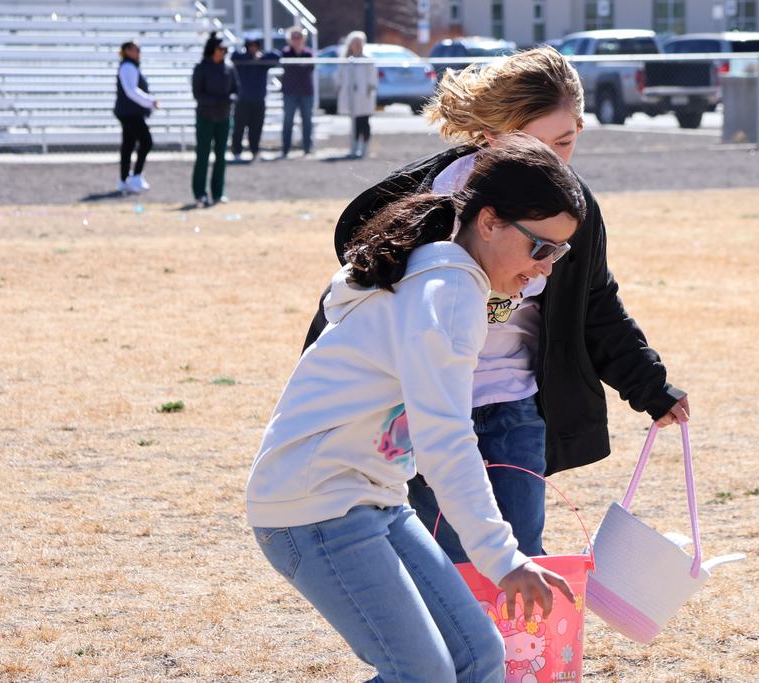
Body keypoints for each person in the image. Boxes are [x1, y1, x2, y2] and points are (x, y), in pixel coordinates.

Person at [301, 47, 690, 564]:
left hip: (514, 404)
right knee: (448, 560)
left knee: (520, 552)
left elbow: (595, 301)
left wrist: (649, 385)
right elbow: (364, 305)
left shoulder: (571, 208)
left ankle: (516, 649)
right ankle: (457, 645)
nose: (553, 159)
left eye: (566, 141)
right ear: (492, 136)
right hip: (427, 408)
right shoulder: (432, 204)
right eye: (536, 143)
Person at [247, 138, 582, 683]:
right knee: (421, 674)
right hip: (314, 505)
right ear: (491, 222)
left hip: (375, 499)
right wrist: (504, 557)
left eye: (558, 254)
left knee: (478, 657)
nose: (543, 270)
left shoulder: (446, 277)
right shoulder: (449, 291)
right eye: (540, 248)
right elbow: (445, 438)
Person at [191, 31, 238, 207]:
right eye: (220, 48)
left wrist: (231, 99)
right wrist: (218, 101)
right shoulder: (201, 68)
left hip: (224, 117)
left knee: (221, 157)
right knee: (202, 156)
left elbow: (236, 89)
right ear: (212, 49)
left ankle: (218, 192)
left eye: (225, 49)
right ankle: (200, 193)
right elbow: (198, 94)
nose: (223, 52)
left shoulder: (229, 68)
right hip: (205, 117)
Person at [113, 40, 158, 194]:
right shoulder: (128, 67)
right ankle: (135, 175)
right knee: (146, 141)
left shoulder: (130, 66)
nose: (138, 52)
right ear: (127, 51)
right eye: (135, 49)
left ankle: (124, 178)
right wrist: (150, 101)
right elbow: (131, 91)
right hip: (130, 112)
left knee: (128, 144)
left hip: (129, 111)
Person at [231, 33, 278, 161]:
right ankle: (236, 152)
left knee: (256, 128)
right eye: (250, 45)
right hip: (243, 100)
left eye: (255, 45)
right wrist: (251, 57)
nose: (253, 47)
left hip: (258, 101)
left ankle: (254, 151)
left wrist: (260, 58)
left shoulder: (263, 61)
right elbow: (234, 56)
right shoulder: (242, 60)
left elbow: (276, 56)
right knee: (239, 128)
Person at [338, 30, 377, 158]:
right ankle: (354, 147)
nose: (356, 46)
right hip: (351, 96)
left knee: (363, 122)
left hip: (364, 96)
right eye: (354, 43)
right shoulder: (346, 59)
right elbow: (340, 77)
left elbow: (372, 78)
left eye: (359, 43)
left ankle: (364, 148)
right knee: (354, 123)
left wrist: (369, 91)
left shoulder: (367, 59)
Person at [279, 26, 315, 157]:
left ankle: (307, 148)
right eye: (294, 37)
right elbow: (291, 69)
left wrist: (297, 67)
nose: (296, 40)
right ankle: (285, 149)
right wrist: (300, 67)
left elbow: (309, 69)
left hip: (306, 92)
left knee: (307, 120)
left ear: (303, 39)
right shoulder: (286, 52)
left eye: (299, 37)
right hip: (290, 92)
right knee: (288, 120)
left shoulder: (308, 53)